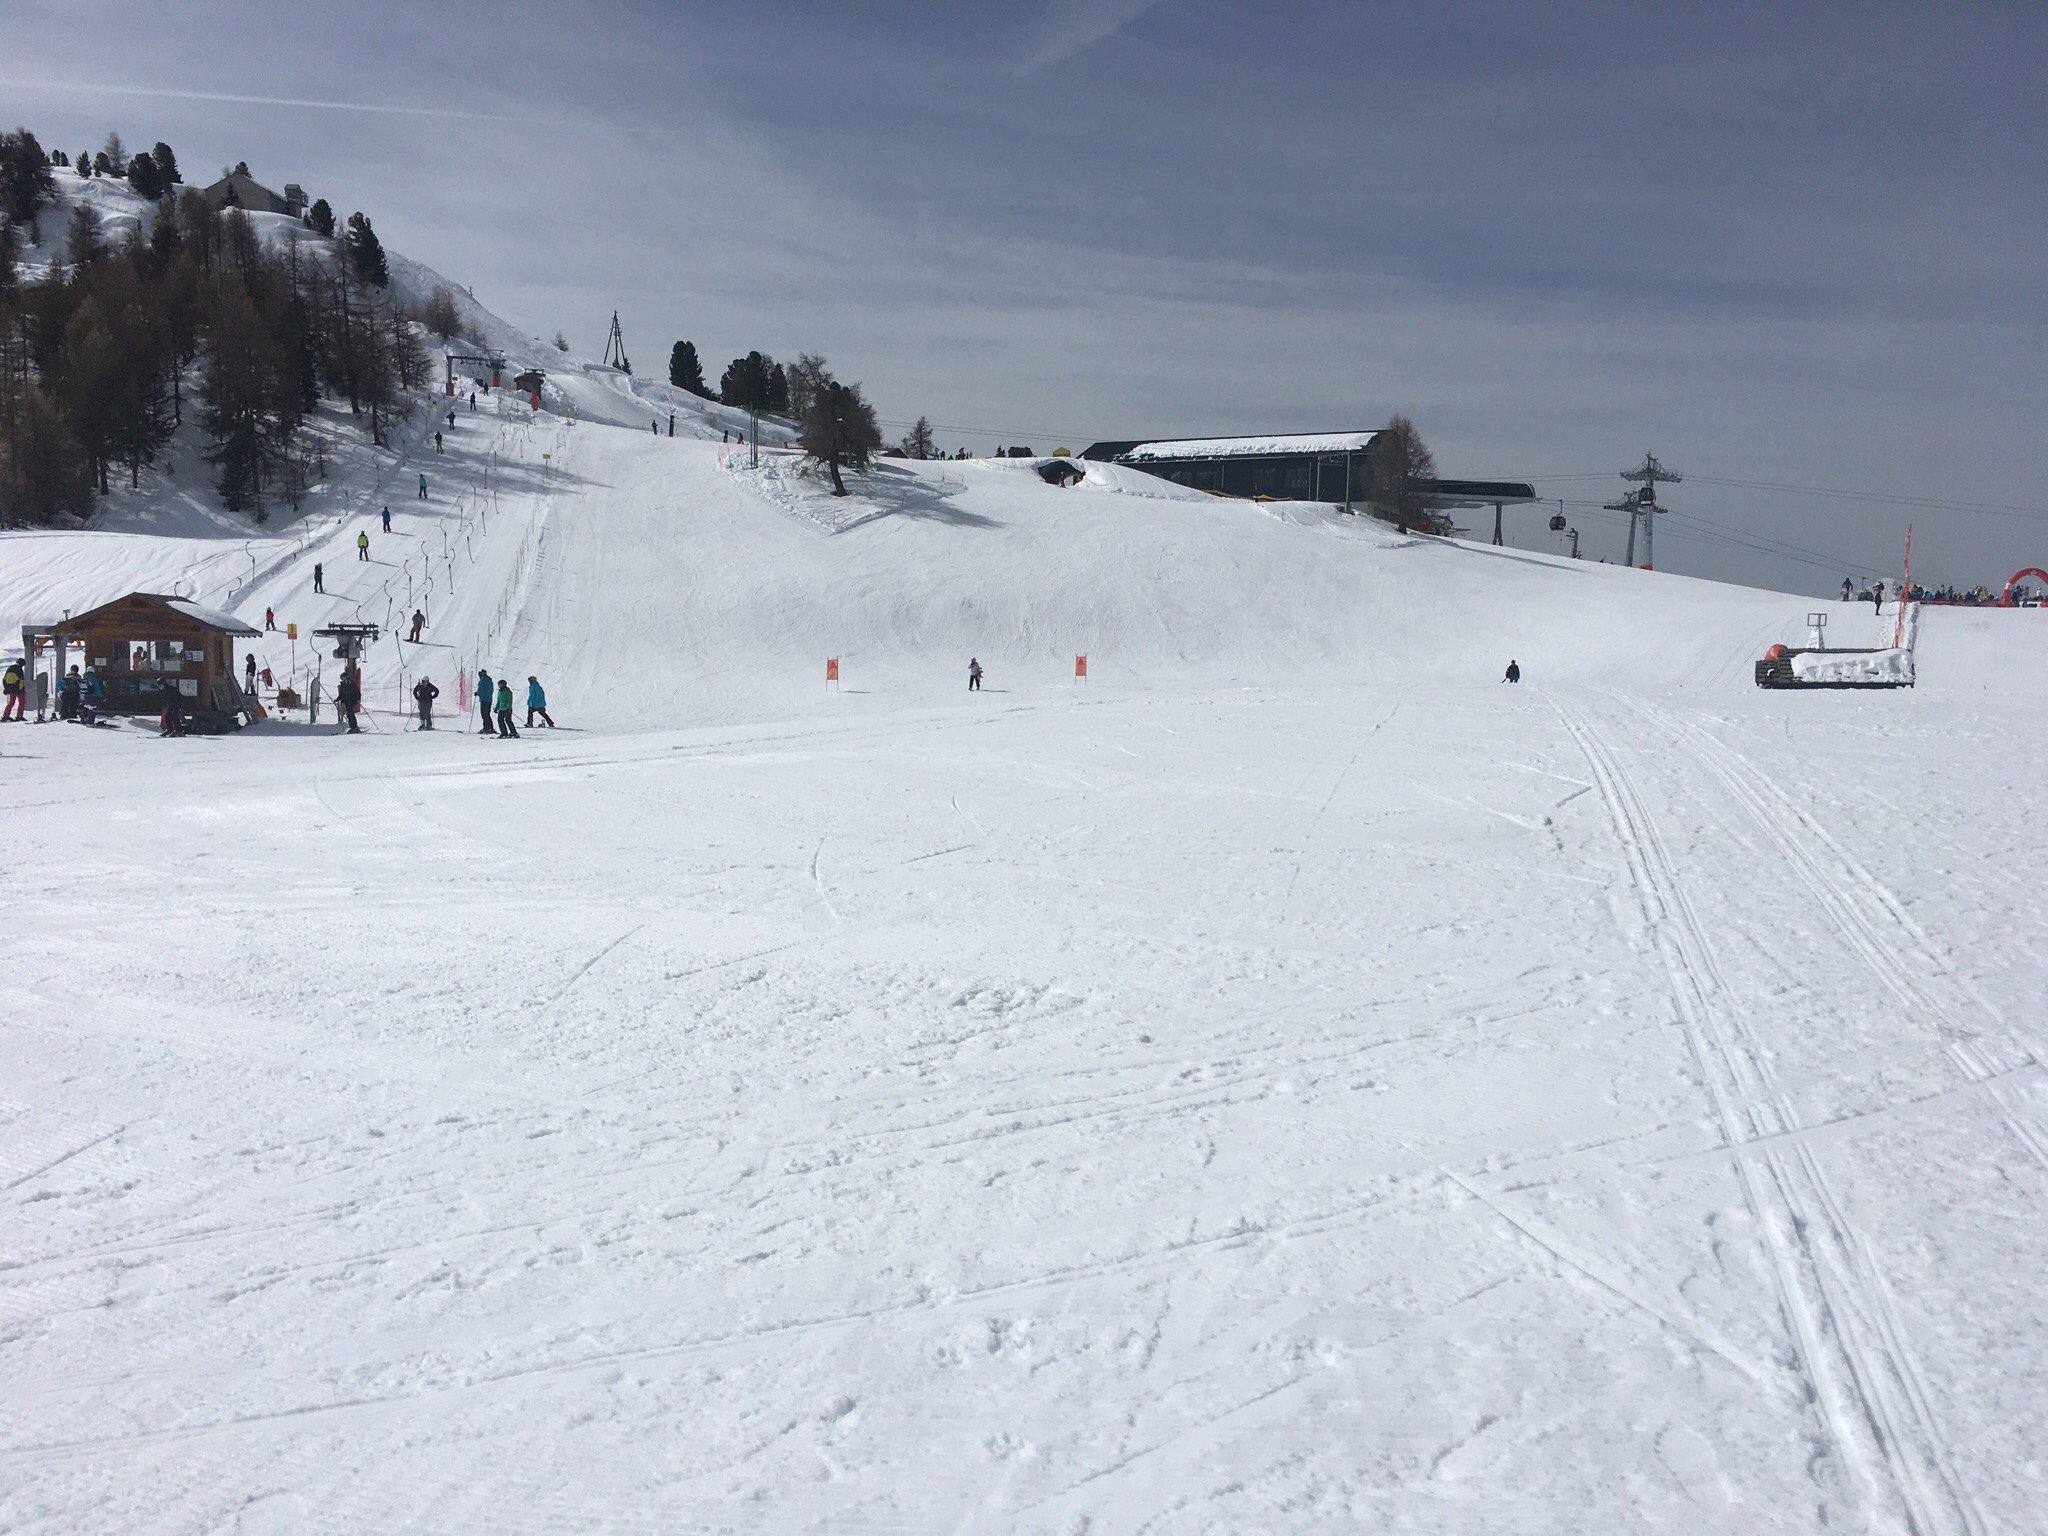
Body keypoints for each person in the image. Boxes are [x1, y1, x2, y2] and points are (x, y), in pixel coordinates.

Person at [335, 665, 362, 734]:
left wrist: (357, 700)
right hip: (347, 701)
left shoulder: (351, 684)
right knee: (349, 714)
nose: (342, 680)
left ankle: (354, 727)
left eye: (343, 679)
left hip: (352, 701)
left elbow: (358, 693)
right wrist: (337, 699)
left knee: (350, 714)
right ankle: (353, 727)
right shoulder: (343, 685)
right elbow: (341, 694)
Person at [476, 668, 495, 733]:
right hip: (489, 699)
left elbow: (480, 689)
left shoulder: (483, 680)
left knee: (484, 714)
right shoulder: (489, 680)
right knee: (487, 714)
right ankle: (490, 727)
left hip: (484, 699)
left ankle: (486, 728)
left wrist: (477, 693)